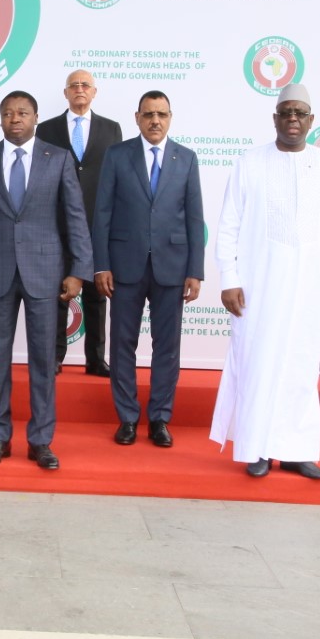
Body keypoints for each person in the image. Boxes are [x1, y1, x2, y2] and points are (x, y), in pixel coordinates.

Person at [210, 83, 320, 480]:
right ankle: (257, 447)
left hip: (314, 287)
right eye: (286, 112)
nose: (293, 119)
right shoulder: (249, 162)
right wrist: (229, 277)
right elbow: (229, 225)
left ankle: (295, 450)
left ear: (311, 121)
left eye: (300, 113)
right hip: (258, 285)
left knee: (301, 365)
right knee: (257, 363)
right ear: (275, 118)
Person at [0, 91, 92, 471]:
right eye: (8, 113)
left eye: (22, 113)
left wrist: (79, 270)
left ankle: (40, 441)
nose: (15, 119)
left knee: (43, 361)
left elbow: (75, 217)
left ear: (35, 118)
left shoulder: (58, 158)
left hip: (46, 273)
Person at [92, 90, 205, 449]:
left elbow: (195, 218)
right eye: (149, 114)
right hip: (124, 265)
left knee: (167, 346)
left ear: (170, 118)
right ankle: (127, 417)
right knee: (122, 344)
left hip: (172, 267)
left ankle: (159, 418)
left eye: (162, 114)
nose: (155, 121)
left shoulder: (186, 158)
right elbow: (102, 213)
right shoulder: (117, 155)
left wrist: (195, 270)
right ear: (137, 118)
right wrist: (101, 264)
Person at [35, 69, 123, 377]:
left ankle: (95, 359)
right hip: (57, 224)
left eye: (86, 85)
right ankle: (55, 356)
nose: (80, 89)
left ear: (94, 92)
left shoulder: (111, 129)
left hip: (98, 224)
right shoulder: (47, 129)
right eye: (74, 85)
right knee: (58, 293)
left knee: (97, 294)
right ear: (66, 92)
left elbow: (116, 177)